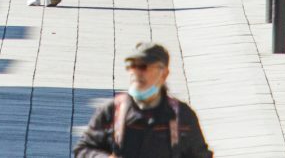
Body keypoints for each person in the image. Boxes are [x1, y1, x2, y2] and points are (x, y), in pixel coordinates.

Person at [74, 43, 213, 158]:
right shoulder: (112, 110)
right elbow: (83, 149)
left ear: (163, 74)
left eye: (143, 67)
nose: (135, 72)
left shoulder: (181, 115)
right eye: (131, 66)